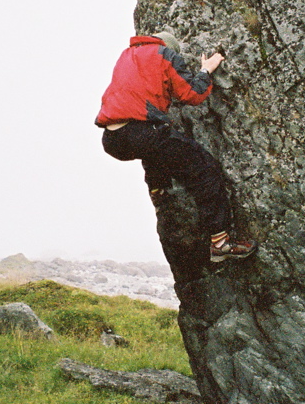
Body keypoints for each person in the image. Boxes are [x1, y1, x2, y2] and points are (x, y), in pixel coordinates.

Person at [95, 30, 257, 263]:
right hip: (140, 133)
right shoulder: (165, 54)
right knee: (205, 170)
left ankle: (157, 189)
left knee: (158, 149)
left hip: (112, 139)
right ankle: (221, 243)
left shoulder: (127, 55)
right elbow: (193, 94)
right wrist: (206, 70)